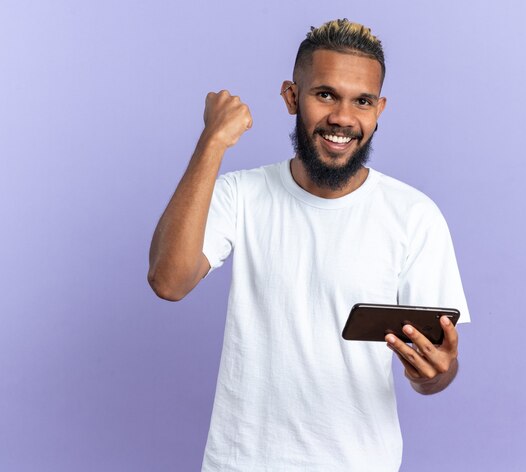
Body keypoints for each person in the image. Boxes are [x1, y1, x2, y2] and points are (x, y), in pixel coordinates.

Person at [148, 19, 470, 472]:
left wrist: (437, 372)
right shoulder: (242, 195)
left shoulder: (414, 215)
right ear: (291, 97)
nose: (342, 117)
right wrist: (213, 142)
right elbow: (168, 280)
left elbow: (435, 374)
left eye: (361, 101)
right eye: (325, 95)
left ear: (379, 110)